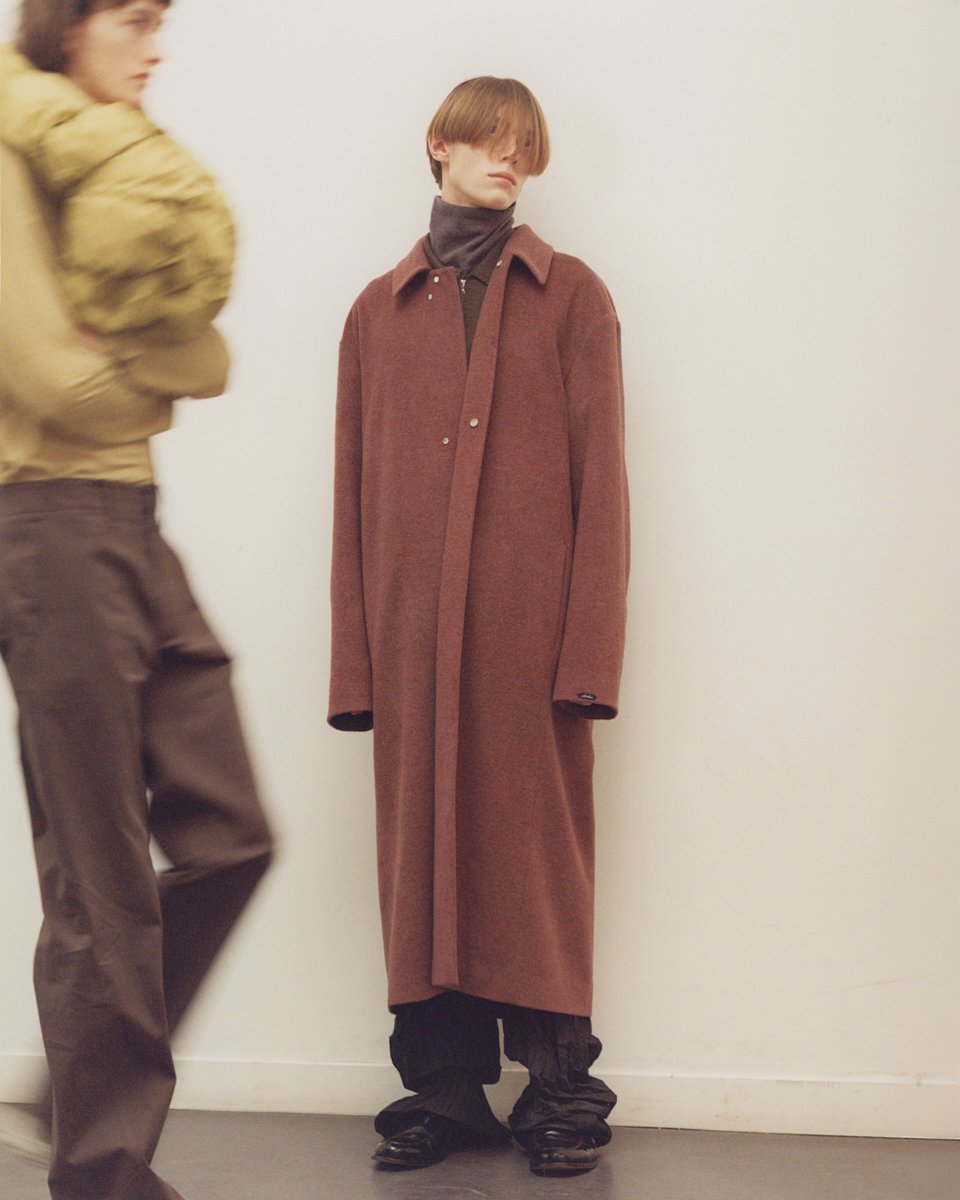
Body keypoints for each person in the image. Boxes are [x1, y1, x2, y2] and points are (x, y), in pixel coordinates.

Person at [329, 76, 629, 1177]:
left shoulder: (572, 296)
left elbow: (605, 489)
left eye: (525, 147)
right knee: (422, 869)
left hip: (527, 645)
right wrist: (357, 668)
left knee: (535, 865)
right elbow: (352, 500)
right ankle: (444, 1093)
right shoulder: (376, 313)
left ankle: (559, 1092)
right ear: (439, 146)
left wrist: (587, 657)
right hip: (410, 644)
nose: (510, 161)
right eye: (491, 141)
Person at [0, 4, 274, 1198]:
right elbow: (54, 380)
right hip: (47, 521)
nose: (156, 45)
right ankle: (103, 1173)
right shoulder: (10, 159)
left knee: (233, 833)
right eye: (134, 19)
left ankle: (71, 1092)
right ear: (68, 25)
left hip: (126, 519)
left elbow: (214, 357)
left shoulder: (111, 162)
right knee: (99, 872)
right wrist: (156, 371)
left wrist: (140, 362)